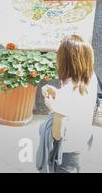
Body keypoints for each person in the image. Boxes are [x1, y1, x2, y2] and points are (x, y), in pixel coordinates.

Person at [41, 35, 98, 173]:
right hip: (82, 141)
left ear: (66, 60)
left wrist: (52, 106)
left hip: (66, 154)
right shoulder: (90, 78)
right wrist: (57, 94)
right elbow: (76, 104)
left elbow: (57, 134)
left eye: (58, 53)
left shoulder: (68, 91)